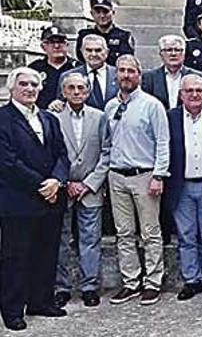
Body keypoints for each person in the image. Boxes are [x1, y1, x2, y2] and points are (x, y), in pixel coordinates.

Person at [0, 67, 70, 331]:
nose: (30, 89)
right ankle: (12, 309)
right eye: (24, 84)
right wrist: (42, 184)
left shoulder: (48, 118)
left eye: (34, 84)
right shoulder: (3, 118)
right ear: (12, 88)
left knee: (46, 253)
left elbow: (62, 154)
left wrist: (57, 180)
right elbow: (7, 161)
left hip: (51, 198)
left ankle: (41, 301)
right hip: (19, 199)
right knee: (16, 257)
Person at [103, 55, 170, 306]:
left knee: (151, 232)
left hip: (144, 175)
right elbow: (107, 142)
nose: (126, 75)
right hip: (117, 175)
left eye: (131, 71)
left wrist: (159, 174)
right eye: (122, 71)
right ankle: (130, 281)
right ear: (116, 75)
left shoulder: (152, 105)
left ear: (139, 75)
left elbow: (163, 142)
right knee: (124, 232)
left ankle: (153, 281)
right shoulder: (110, 107)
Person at [53, 73, 109, 309]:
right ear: (64, 92)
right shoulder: (53, 116)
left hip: (90, 188)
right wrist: (65, 182)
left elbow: (107, 152)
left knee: (90, 240)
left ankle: (89, 287)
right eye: (71, 88)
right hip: (61, 187)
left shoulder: (99, 117)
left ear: (87, 92)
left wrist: (88, 183)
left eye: (81, 88)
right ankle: (61, 287)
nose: (76, 92)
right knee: (61, 240)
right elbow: (51, 153)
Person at [167, 74, 202, 301]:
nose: (194, 94)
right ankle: (191, 280)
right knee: (186, 235)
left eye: (199, 90)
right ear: (181, 94)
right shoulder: (169, 118)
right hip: (181, 186)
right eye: (189, 90)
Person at [57, 34, 119, 111]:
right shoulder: (67, 76)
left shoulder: (118, 74)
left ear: (107, 52)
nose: (93, 54)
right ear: (82, 51)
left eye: (98, 50)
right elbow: (61, 104)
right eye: (89, 50)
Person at [142, 34, 201, 110]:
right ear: (161, 54)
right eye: (169, 50)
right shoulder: (149, 78)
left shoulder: (196, 76)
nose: (173, 54)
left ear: (184, 54)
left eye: (177, 50)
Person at [75, 0, 135, 67]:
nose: (102, 16)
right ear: (92, 14)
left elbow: (125, 61)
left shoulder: (123, 36)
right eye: (98, 12)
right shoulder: (84, 35)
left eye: (105, 12)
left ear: (113, 13)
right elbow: (81, 58)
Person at [29, 26, 80, 109]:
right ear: (43, 46)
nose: (56, 46)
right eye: (51, 42)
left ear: (67, 45)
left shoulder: (77, 68)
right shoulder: (34, 69)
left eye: (60, 42)